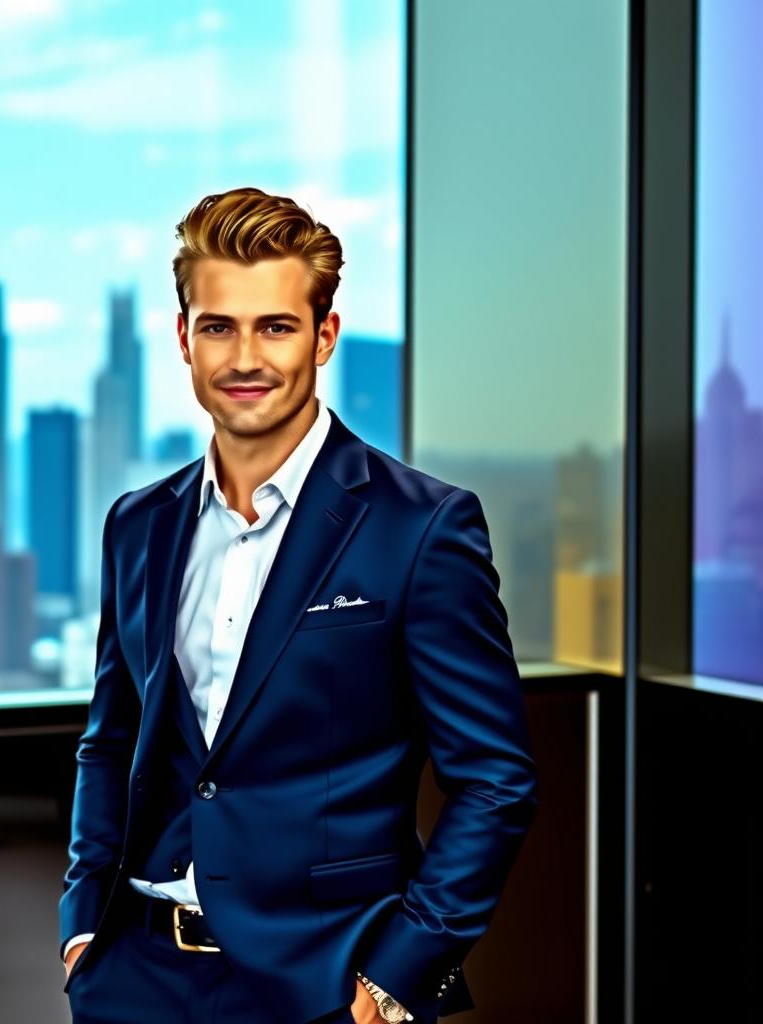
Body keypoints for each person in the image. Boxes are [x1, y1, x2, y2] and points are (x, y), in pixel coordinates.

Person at [59, 186, 538, 1024]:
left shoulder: (421, 526)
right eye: (219, 326)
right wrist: (81, 923)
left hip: (325, 988)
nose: (246, 358)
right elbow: (114, 739)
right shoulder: (138, 524)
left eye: (275, 326)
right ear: (184, 338)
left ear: (323, 337)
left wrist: (395, 982)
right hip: (134, 975)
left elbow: (494, 782)